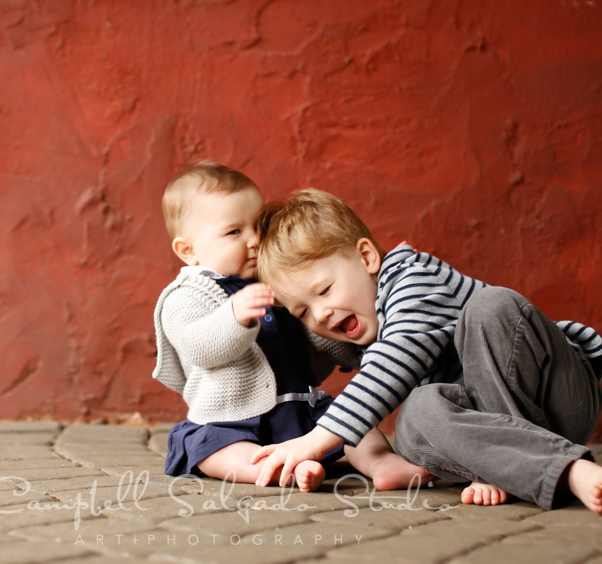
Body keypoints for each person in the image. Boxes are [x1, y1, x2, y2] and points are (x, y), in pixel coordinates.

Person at [251, 188, 602, 514]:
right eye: (303, 312)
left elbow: (396, 357)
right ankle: (513, 468)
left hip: (558, 399)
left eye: (326, 290)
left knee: (492, 305)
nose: (321, 314)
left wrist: (316, 441)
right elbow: (322, 349)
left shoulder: (413, 279)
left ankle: (563, 469)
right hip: (496, 436)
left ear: (367, 258)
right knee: (416, 417)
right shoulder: (353, 323)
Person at [153, 163, 433, 492]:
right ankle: (273, 467)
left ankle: (380, 462)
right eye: (234, 232)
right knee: (216, 450)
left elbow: (312, 332)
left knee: (354, 424)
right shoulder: (187, 295)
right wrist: (233, 316)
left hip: (298, 408)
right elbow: (198, 348)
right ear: (188, 251)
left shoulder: (271, 283)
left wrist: (346, 347)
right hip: (231, 417)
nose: (254, 240)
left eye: (257, 226)